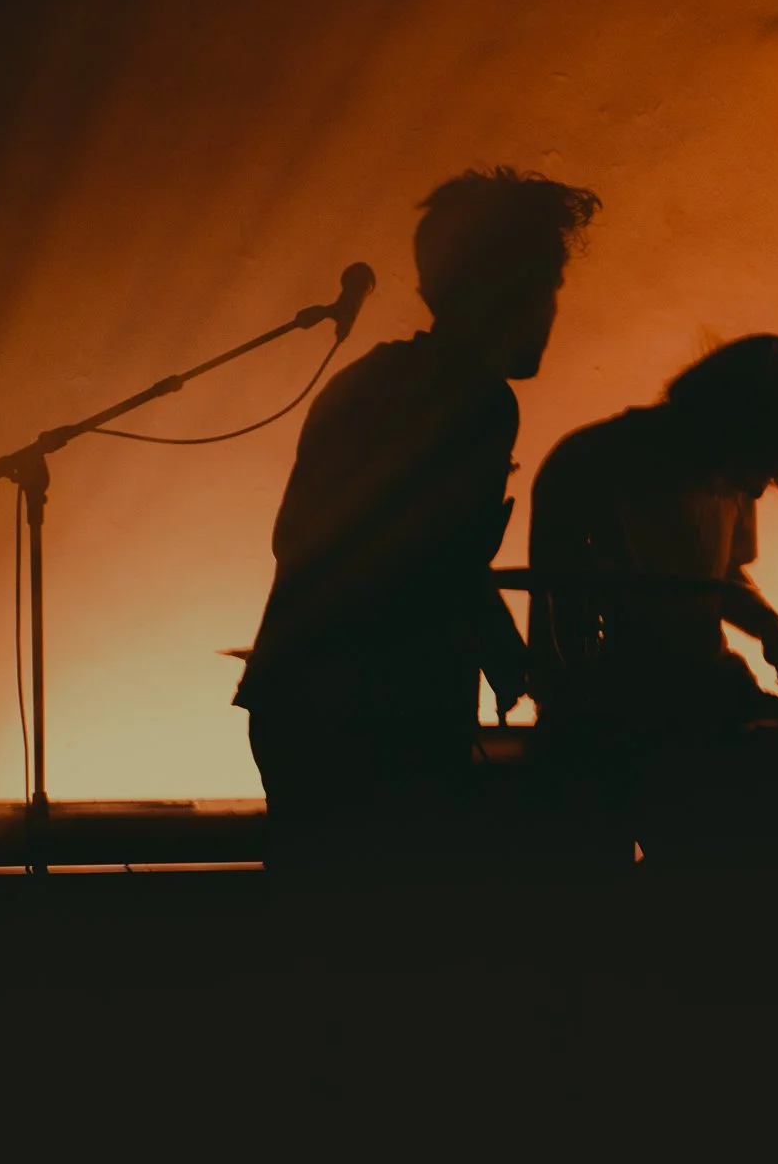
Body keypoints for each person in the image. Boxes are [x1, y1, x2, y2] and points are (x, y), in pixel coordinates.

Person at [235, 167, 600, 876]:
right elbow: (440, 563)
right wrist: (525, 666)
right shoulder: (479, 402)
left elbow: (307, 541)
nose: (554, 310)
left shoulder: (366, 381)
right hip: (378, 719)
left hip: (296, 700)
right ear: (511, 290)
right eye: (549, 286)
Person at [526, 333, 778, 735]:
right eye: (762, 468)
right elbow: (558, 606)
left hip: (713, 692)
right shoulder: (588, 463)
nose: (755, 490)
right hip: (612, 715)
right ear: (724, 431)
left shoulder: (731, 468)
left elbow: (720, 576)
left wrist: (773, 630)